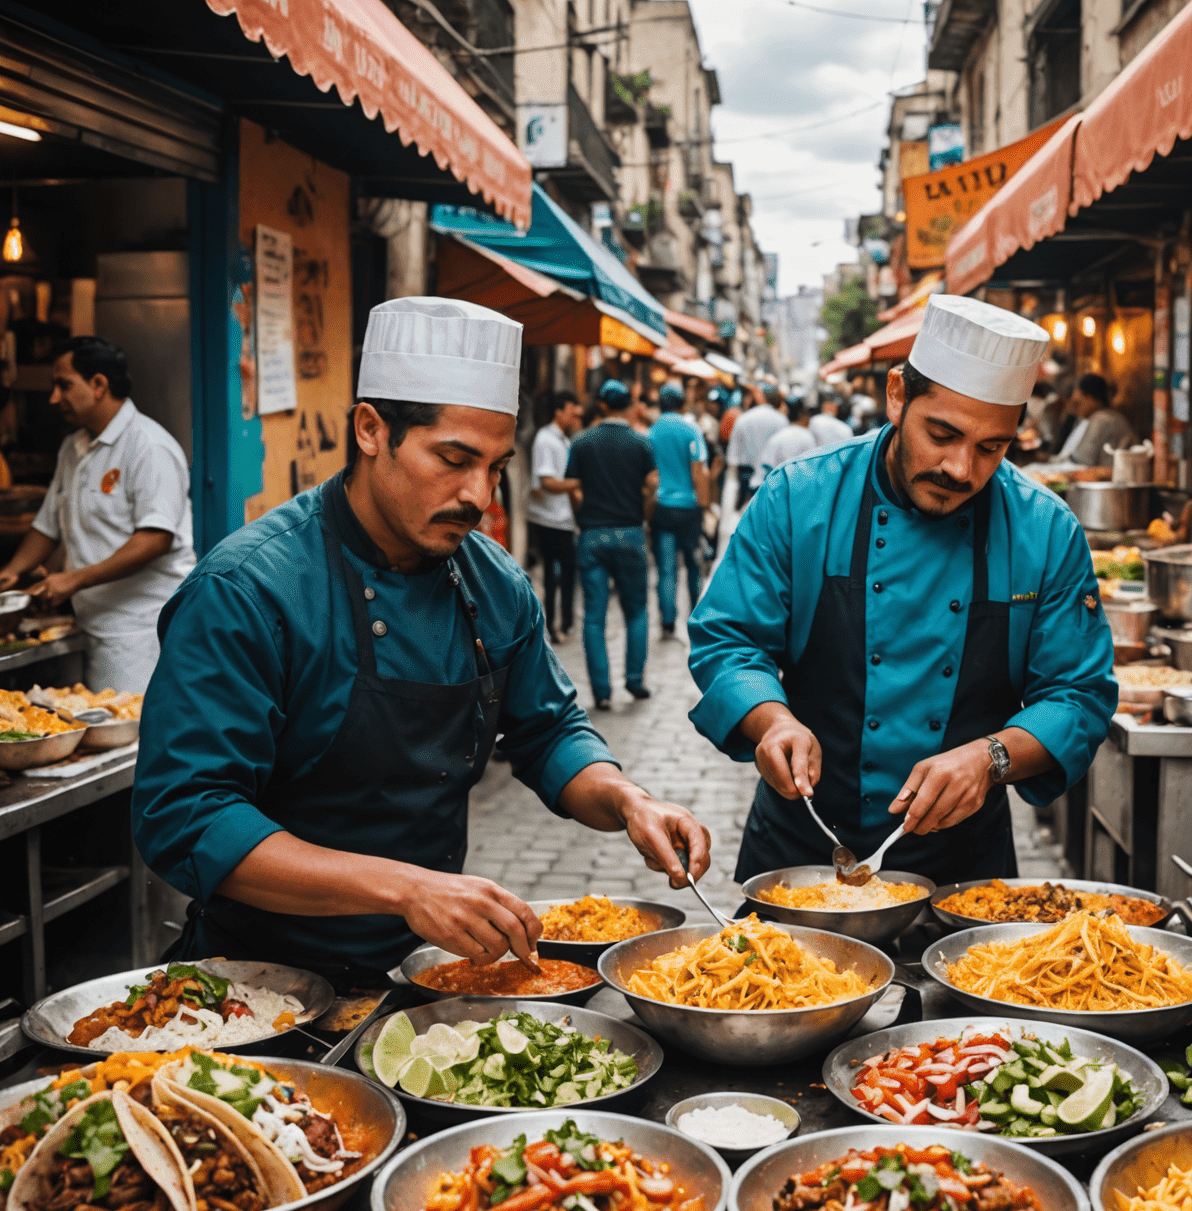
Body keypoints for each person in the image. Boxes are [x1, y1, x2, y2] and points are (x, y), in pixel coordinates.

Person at [131, 297, 709, 983]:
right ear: (372, 430)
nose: (479, 495)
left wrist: (625, 799)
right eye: (454, 459)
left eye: (496, 467)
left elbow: (549, 730)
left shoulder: (492, 580)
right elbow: (186, 815)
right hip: (257, 983)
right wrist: (407, 889)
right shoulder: (248, 591)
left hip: (426, 972)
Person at [688, 295, 1117, 885]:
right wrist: (771, 722)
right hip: (800, 855)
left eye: (992, 448)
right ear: (897, 395)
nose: (962, 469)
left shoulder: (1045, 530)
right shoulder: (799, 498)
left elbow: (1080, 695)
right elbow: (728, 639)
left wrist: (991, 757)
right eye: (942, 434)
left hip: (964, 877)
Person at [0, 336, 195, 691]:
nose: (54, 398)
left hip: (140, 630)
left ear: (99, 385)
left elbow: (155, 538)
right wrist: (11, 573)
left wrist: (73, 579)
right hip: (89, 623)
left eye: (64, 385)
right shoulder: (73, 448)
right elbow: (47, 526)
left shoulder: (148, 446)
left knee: (136, 737)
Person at [565, 378, 658, 709]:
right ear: (629, 406)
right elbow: (652, 488)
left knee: (593, 616)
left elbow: (574, 488)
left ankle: (601, 692)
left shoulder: (581, 442)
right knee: (636, 611)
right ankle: (634, 681)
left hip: (592, 533)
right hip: (631, 532)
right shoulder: (642, 443)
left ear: (602, 405)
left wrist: (582, 517)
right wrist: (643, 518)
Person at [649, 382, 708, 637]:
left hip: (662, 508)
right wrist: (704, 509)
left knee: (665, 567)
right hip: (688, 507)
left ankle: (668, 621)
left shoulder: (651, 433)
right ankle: (695, 614)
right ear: (682, 404)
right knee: (693, 565)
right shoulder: (691, 429)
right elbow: (698, 472)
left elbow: (649, 477)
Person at [526, 389, 582, 645]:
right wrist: (578, 484)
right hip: (549, 518)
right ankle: (555, 624)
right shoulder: (546, 439)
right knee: (554, 574)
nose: (574, 418)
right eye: (571, 412)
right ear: (559, 412)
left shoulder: (562, 440)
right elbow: (547, 481)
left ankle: (565, 622)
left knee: (565, 572)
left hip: (562, 517)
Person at [1051, 374, 1138, 466]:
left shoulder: (1102, 418)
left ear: (1091, 399)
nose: (1076, 409)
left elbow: (1083, 458)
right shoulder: (1105, 416)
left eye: (1078, 403)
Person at [726, 386, 788, 504]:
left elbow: (732, 458)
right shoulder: (782, 421)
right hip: (771, 482)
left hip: (744, 482)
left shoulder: (743, 418)